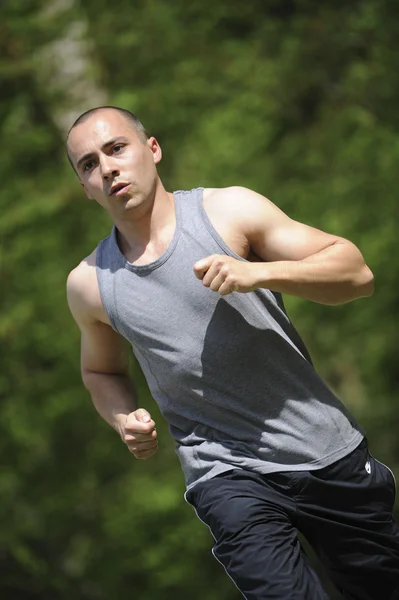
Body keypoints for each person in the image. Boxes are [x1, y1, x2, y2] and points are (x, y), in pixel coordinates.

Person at [66, 105, 399, 600]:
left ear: (152, 149)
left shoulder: (228, 212)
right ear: (85, 186)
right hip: (223, 471)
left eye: (116, 148)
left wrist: (257, 273)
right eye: (89, 164)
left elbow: (355, 275)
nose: (107, 167)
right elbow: (99, 370)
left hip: (325, 451)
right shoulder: (90, 284)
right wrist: (121, 417)